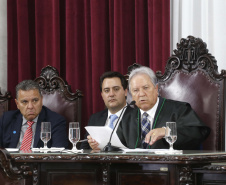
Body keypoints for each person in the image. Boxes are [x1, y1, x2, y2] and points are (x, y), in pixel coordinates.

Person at [117, 66, 210, 150]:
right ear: (131, 94)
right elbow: (117, 146)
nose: (141, 94)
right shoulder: (127, 118)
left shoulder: (179, 109)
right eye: (135, 90)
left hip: (170, 167)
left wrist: (167, 131)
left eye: (145, 88)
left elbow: (198, 133)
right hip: (134, 168)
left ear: (156, 88)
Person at [0, 80, 68, 149]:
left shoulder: (56, 121)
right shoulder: (6, 119)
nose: (30, 106)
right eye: (25, 102)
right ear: (17, 104)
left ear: (41, 100)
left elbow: (59, 154)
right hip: (11, 159)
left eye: (35, 100)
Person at [80, 71, 132, 150]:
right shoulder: (95, 119)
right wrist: (94, 149)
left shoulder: (137, 116)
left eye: (116, 89)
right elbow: (83, 151)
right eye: (107, 90)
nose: (111, 94)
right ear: (102, 95)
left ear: (125, 92)